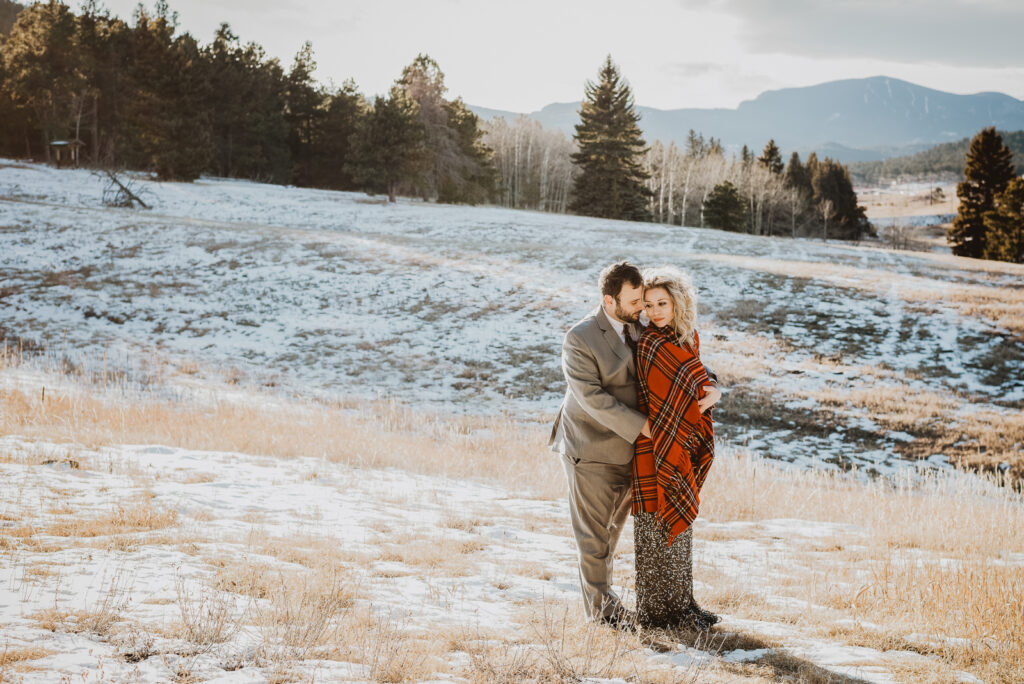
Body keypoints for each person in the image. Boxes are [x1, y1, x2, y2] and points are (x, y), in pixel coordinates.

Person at [549, 261, 651, 626]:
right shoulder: (580, 338)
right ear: (609, 300)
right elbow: (592, 398)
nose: (641, 307)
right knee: (593, 539)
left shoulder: (641, 326)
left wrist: (710, 384)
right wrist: (646, 427)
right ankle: (601, 615)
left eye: (642, 299)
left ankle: (605, 602)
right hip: (589, 448)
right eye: (634, 301)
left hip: (629, 450)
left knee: (611, 534)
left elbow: (679, 357)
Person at [631, 265, 721, 630]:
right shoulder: (650, 343)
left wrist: (715, 391)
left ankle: (683, 606)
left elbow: (698, 378)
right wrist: (702, 398)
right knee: (655, 527)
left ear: (677, 303)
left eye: (662, 303)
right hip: (655, 444)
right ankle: (655, 614)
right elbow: (666, 396)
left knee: (681, 529)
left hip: (681, 443)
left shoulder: (688, 339)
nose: (654, 311)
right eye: (649, 305)